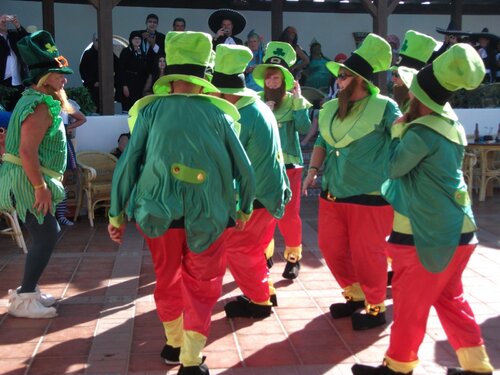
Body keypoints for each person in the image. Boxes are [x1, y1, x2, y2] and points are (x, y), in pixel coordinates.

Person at [108, 31, 255, 375]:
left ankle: (173, 343)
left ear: (170, 76)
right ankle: (191, 359)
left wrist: (116, 214)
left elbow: (128, 163)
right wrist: (245, 207)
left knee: (167, 278)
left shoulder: (150, 111)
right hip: (210, 215)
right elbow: (244, 170)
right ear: (204, 78)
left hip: (159, 213)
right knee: (202, 284)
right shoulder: (220, 116)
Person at [351, 43, 494, 375]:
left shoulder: (419, 132)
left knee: (410, 305)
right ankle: (478, 366)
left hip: (426, 233)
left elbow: (394, 166)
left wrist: (399, 129)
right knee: (450, 299)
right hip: (460, 230)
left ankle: (398, 366)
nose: (406, 95)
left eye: (411, 92)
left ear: (420, 100)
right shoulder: (450, 125)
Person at [302, 34, 401, 331]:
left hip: (370, 194)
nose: (339, 79)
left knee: (367, 254)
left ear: (360, 80)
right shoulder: (331, 107)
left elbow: (400, 144)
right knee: (330, 248)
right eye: (339, 75)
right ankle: (355, 293)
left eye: (344, 75)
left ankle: (374, 306)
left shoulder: (385, 107)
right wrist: (313, 170)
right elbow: (321, 140)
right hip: (333, 192)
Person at [210, 44, 291, 318]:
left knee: (240, 249)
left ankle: (258, 302)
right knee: (255, 249)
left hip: (255, 196)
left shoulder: (239, 115)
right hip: (269, 192)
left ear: (224, 93)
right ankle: (264, 290)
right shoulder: (255, 105)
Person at [0, 30, 73, 318]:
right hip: (29, 181)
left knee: (45, 233)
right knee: (47, 234)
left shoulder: (34, 99)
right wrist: (40, 187)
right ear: (45, 79)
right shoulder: (41, 105)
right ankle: (26, 297)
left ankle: (28, 291)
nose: (64, 79)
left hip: (27, 178)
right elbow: (28, 151)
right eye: (59, 75)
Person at [253, 41, 312, 280]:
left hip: (289, 165)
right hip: (263, 165)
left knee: (288, 215)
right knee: (262, 213)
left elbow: (304, 127)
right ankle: (263, 255)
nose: (271, 82)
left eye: (276, 78)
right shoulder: (255, 100)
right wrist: (263, 113)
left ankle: (293, 258)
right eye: (268, 78)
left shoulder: (294, 100)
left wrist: (298, 101)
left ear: (286, 80)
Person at [55, 98, 87, 226]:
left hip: (62, 143)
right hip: (45, 145)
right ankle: (50, 217)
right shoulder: (41, 103)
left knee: (64, 179)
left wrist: (67, 126)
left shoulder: (64, 104)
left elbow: (82, 118)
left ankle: (61, 215)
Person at [391, 30, 437, 113]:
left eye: (397, 75)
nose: (393, 79)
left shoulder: (421, 105)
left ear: (411, 77)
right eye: (392, 73)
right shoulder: (404, 99)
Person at [79, 33, 119, 113]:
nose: (99, 42)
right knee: (93, 110)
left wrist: (112, 82)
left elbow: (118, 68)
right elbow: (83, 71)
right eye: (97, 40)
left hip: (107, 88)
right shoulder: (87, 54)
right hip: (92, 88)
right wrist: (93, 83)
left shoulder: (109, 54)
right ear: (93, 41)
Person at [0, 14, 29, 111]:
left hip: (18, 81)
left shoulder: (12, 35)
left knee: (18, 111)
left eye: (4, 22)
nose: (3, 23)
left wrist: (17, 26)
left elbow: (27, 39)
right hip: (3, 82)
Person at [117, 31, 148, 111]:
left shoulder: (142, 53)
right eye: (135, 38)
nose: (137, 40)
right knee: (128, 107)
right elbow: (121, 69)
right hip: (128, 83)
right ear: (131, 40)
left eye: (139, 39)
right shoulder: (126, 51)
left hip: (139, 84)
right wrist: (124, 85)